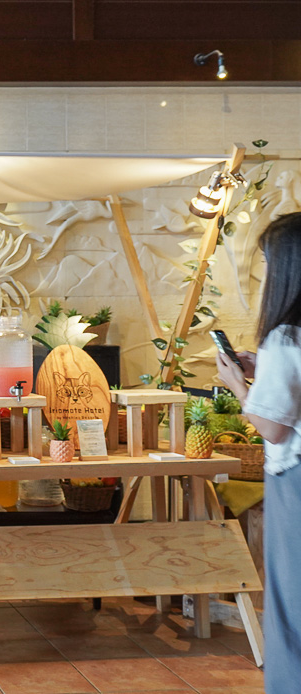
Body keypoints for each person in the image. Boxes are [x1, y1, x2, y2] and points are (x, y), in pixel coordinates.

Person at [215, 211, 301, 693]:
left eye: (266, 261)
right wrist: (262, 369)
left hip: (295, 480)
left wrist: (238, 384)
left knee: (291, 596)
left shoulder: (285, 335)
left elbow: (272, 427)